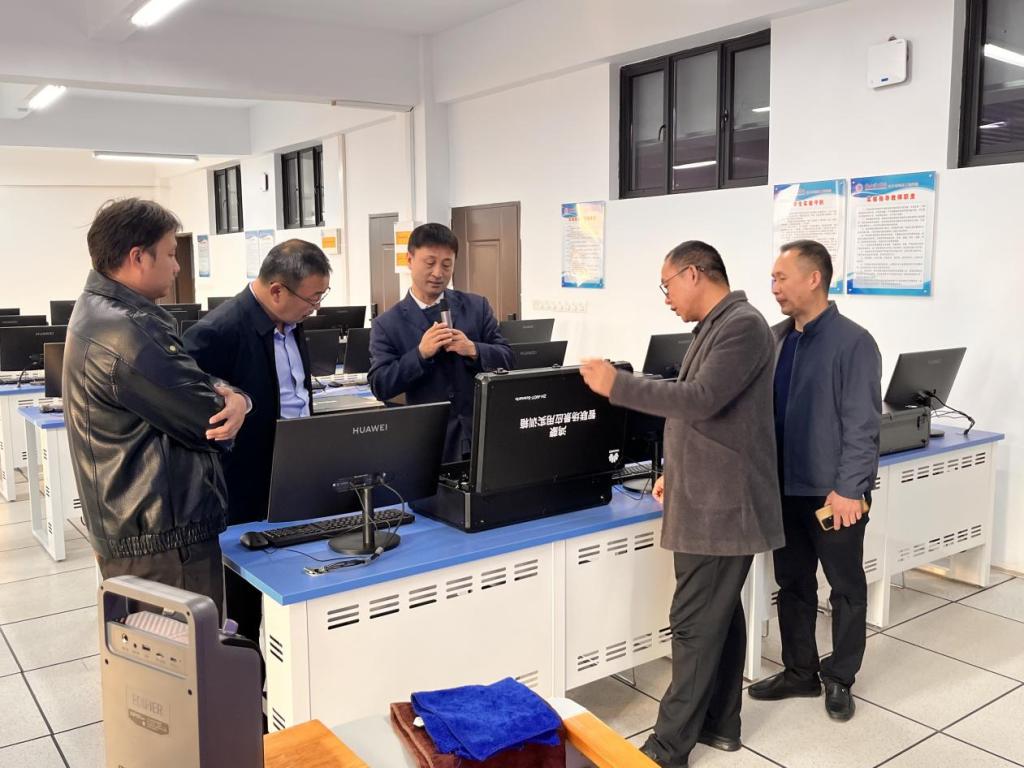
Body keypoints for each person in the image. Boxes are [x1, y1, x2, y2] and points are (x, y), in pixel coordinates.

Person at [580, 240, 783, 768]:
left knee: (693, 623)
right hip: (708, 494)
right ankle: (721, 723)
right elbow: (711, 416)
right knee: (720, 615)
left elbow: (699, 400)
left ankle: (667, 750)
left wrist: (618, 385)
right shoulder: (718, 325)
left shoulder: (742, 325)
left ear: (693, 274)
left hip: (723, 506)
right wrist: (676, 469)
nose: (666, 297)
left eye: (667, 284)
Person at [63, 198, 249, 616]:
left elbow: (189, 381)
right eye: (169, 254)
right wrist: (235, 401)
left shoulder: (101, 312)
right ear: (137, 257)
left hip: (134, 524)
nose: (177, 266)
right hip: (163, 536)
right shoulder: (128, 331)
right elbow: (208, 418)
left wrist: (231, 393)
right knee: (187, 650)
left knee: (153, 650)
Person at [748, 239, 881, 721]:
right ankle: (799, 671)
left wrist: (850, 488)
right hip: (784, 490)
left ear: (814, 278)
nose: (774, 287)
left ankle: (840, 676)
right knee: (793, 583)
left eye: (781, 278)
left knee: (845, 587)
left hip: (833, 496)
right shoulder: (775, 338)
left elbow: (863, 424)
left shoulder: (853, 342)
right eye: (772, 278)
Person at [184, 239, 332, 642]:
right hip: (245, 486)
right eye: (312, 298)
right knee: (243, 609)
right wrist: (235, 399)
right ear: (277, 290)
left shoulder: (291, 321)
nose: (316, 307)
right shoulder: (219, 330)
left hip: (295, 475)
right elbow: (187, 394)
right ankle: (249, 679)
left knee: (298, 587)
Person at [368, 223, 513, 462]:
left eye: (447, 265)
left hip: (483, 433)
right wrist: (420, 354)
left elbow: (508, 358)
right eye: (430, 263)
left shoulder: (476, 306)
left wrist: (474, 349)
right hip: (429, 441)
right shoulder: (387, 324)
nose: (438, 273)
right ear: (409, 260)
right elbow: (380, 385)